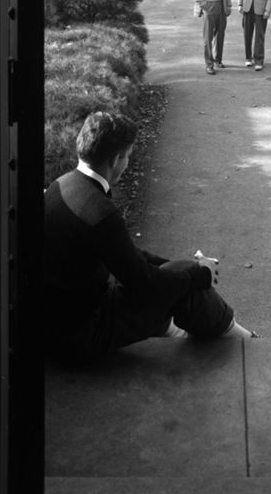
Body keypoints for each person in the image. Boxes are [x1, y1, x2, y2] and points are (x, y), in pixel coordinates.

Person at [44, 110, 255, 365]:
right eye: (128, 156)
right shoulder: (99, 210)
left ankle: (185, 331)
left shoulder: (62, 186)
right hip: (82, 335)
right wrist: (200, 275)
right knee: (185, 281)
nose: (127, 163)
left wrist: (177, 268)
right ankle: (249, 343)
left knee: (179, 274)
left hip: (57, 323)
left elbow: (127, 257)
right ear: (115, 160)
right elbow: (144, 284)